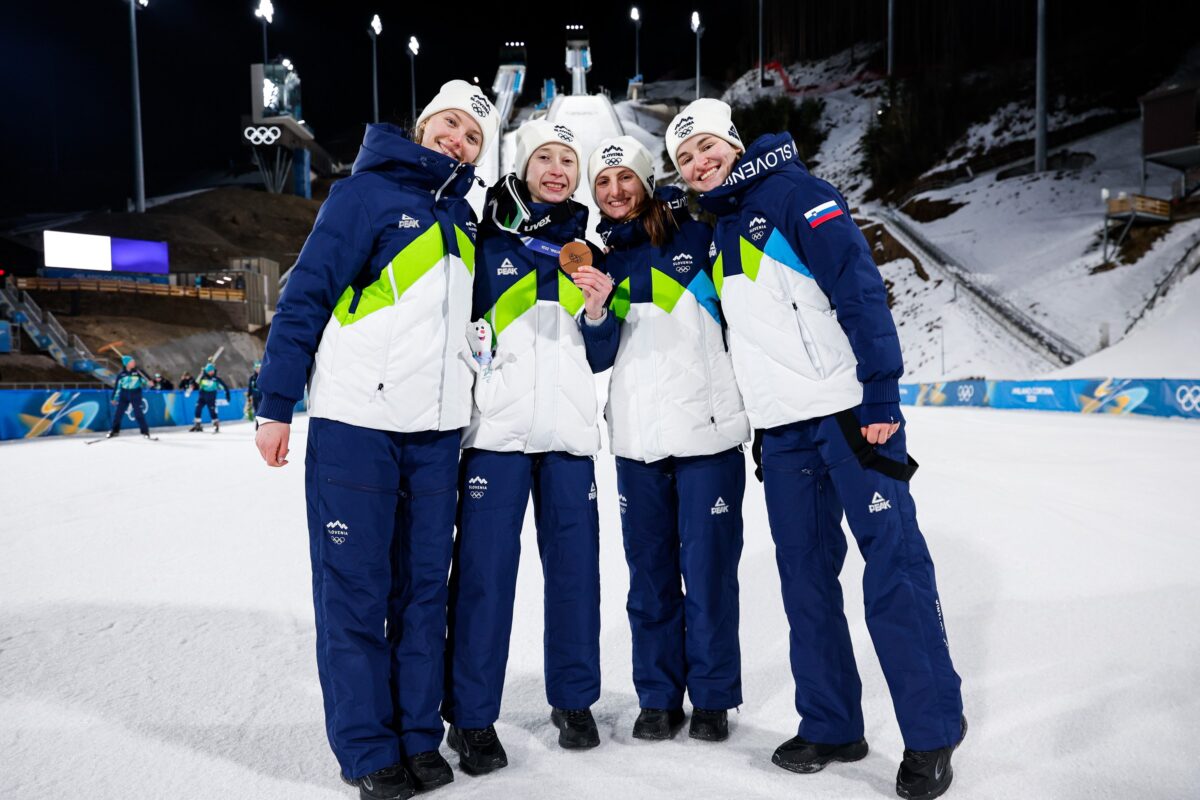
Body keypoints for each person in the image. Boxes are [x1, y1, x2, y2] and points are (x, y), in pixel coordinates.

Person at [668, 98, 965, 800]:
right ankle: (832, 723)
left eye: (708, 147)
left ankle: (931, 733)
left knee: (893, 568)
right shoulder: (718, 228)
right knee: (804, 582)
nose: (700, 162)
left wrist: (882, 393)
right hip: (785, 432)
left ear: (734, 144)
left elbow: (860, 292)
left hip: (848, 416)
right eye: (685, 158)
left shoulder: (797, 194)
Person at [253, 80, 499, 800]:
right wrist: (274, 403)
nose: (456, 141)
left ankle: (417, 736)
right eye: (449, 125)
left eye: (472, 137)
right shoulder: (361, 197)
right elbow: (307, 297)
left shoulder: (463, 220)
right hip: (357, 426)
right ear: (422, 125)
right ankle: (367, 749)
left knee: (423, 594)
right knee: (357, 597)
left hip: (435, 437)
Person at [441, 118, 614, 773]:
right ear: (522, 165)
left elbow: (600, 354)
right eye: (545, 157)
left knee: (576, 577)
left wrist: (600, 312)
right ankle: (472, 717)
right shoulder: (489, 244)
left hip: (569, 438)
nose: (557, 170)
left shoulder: (587, 253)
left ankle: (573, 701)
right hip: (496, 439)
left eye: (568, 162)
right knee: (484, 580)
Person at [581, 135, 751, 743]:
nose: (615, 191)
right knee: (649, 577)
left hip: (708, 439)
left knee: (708, 576)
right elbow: (599, 357)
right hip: (636, 445)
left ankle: (710, 698)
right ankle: (658, 695)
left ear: (647, 182)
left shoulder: (700, 238)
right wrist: (597, 314)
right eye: (603, 183)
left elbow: (745, 321)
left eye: (625, 178)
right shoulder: (602, 261)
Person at [107, 354, 152, 438]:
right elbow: (117, 387)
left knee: (138, 414)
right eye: (132, 361)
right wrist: (114, 398)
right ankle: (114, 431)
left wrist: (149, 383)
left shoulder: (138, 372)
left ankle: (145, 432)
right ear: (127, 363)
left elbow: (146, 381)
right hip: (124, 395)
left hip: (135, 394)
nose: (134, 362)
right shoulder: (121, 374)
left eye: (133, 361)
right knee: (118, 414)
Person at [189, 362, 230, 433]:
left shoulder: (216, 379)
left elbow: (224, 387)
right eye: (209, 371)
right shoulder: (202, 378)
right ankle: (197, 425)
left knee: (212, 411)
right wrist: (192, 384)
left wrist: (227, 395)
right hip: (202, 397)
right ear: (206, 371)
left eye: (212, 371)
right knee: (198, 409)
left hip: (211, 398)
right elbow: (196, 384)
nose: (211, 372)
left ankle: (216, 425)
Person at [246, 360, 262, 429]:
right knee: (256, 410)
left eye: (259, 367)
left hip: (262, 396)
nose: (258, 369)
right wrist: (249, 397)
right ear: (254, 368)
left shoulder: (264, 376)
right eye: (256, 368)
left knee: (262, 410)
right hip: (255, 397)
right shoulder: (252, 378)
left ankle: (262, 424)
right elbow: (250, 388)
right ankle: (258, 423)